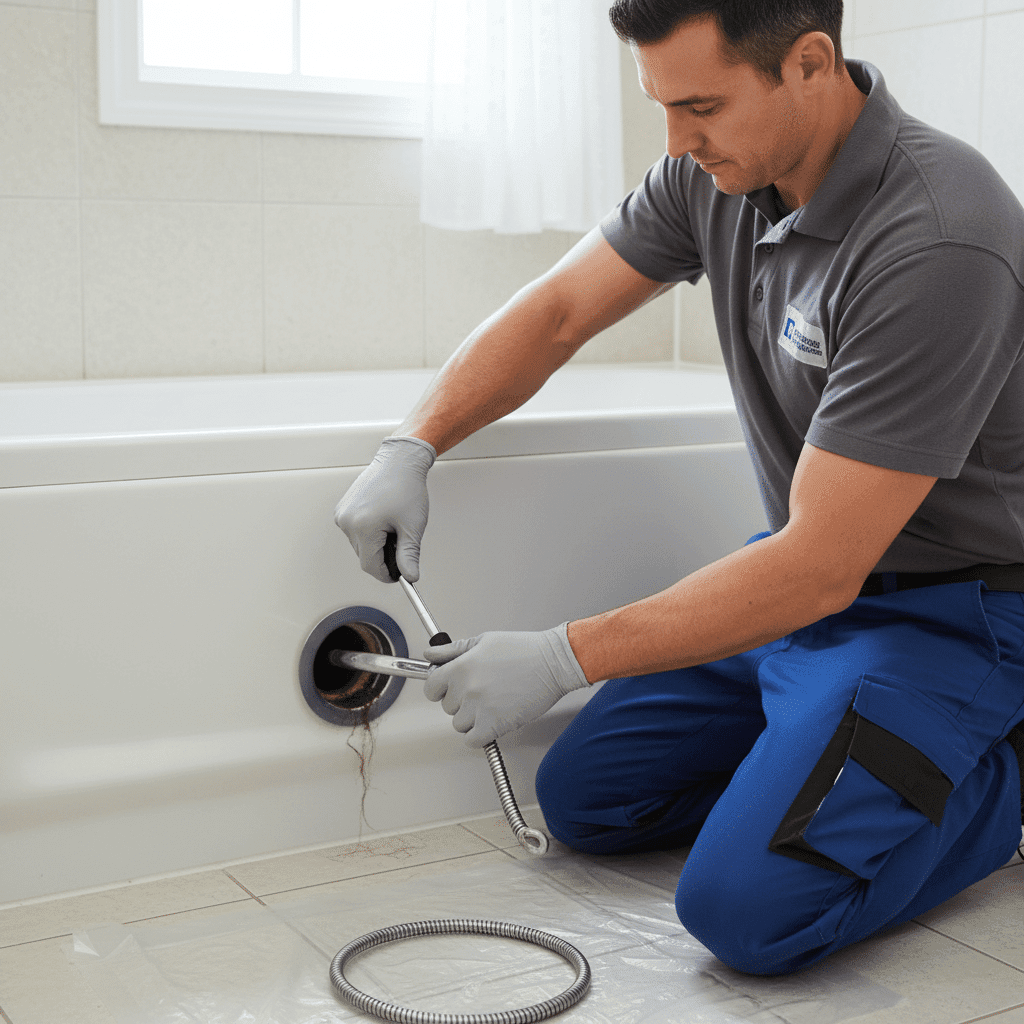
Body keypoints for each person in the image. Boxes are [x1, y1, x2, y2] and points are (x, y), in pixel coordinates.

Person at [334, 0, 1024, 977]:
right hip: (808, 586)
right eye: (659, 104)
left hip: (953, 613)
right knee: (588, 801)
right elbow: (562, 309)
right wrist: (414, 441)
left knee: (744, 911)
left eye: (700, 104)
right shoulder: (718, 176)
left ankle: (997, 769)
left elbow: (825, 564)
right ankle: (824, 747)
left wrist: (562, 655)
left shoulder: (940, 236)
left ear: (810, 63)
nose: (674, 141)